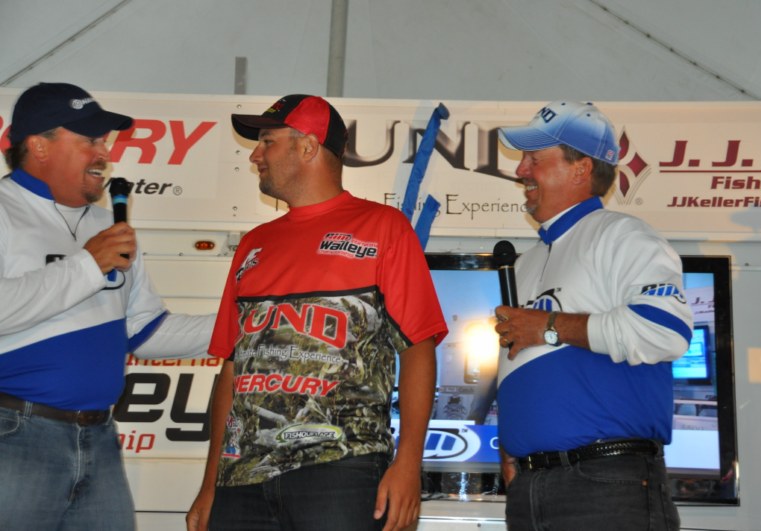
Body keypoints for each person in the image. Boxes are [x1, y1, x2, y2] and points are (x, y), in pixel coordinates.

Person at [186, 94, 447, 531]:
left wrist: (408, 465)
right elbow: (231, 369)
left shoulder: (383, 228)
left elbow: (418, 348)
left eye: (267, 142)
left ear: (307, 146)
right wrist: (210, 482)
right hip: (242, 478)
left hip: (341, 469)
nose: (254, 155)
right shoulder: (253, 244)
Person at [0, 82, 215, 531]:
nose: (105, 153)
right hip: (15, 433)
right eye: (90, 141)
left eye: (104, 141)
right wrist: (89, 264)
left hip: (99, 437)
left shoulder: (106, 224)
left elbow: (144, 330)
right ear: (39, 145)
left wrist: (247, 323)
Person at [493, 101, 694, 531]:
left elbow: (665, 331)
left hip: (607, 486)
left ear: (581, 168)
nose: (521, 171)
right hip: (529, 488)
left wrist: (549, 327)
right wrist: (512, 448)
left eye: (534, 159)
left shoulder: (624, 236)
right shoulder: (527, 262)